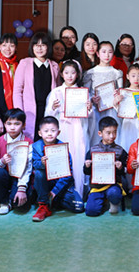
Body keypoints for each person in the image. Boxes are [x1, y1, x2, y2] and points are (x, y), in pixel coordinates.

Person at [45, 60, 92, 199]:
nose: (70, 76)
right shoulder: (56, 92)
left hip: (77, 128)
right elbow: (48, 116)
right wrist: (53, 108)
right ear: (61, 74)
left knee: (78, 156)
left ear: (77, 74)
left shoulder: (82, 92)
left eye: (73, 73)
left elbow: (90, 116)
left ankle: (78, 191)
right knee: (62, 157)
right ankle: (59, 194)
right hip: (62, 128)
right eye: (66, 73)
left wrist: (89, 109)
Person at [31, 116, 85, 221]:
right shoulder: (36, 146)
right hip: (45, 183)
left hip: (61, 185)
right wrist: (42, 163)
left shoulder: (62, 148)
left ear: (58, 132)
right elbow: (34, 165)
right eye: (46, 131)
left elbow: (68, 173)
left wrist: (55, 191)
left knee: (79, 207)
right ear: (40, 133)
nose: (49, 134)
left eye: (53, 130)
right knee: (39, 173)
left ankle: (53, 200)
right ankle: (44, 205)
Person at [13, 32, 59, 141]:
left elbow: (58, 90)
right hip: (29, 112)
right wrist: (19, 113)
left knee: (48, 141)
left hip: (48, 110)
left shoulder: (54, 66)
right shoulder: (24, 63)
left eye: (43, 45)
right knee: (30, 141)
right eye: (36, 45)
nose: (39, 48)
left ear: (48, 47)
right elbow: (17, 91)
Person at [0, 108, 33, 215]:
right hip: (4, 176)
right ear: (4, 124)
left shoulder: (28, 142)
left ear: (23, 125)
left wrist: (21, 188)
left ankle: (12, 197)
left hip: (20, 178)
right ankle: (3, 202)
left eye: (17, 124)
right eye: (9, 124)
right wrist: (2, 161)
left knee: (19, 204)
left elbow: (28, 168)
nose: (12, 127)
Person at [83, 116, 129, 216]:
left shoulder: (120, 150)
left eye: (114, 132)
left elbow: (126, 170)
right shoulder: (93, 150)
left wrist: (120, 167)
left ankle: (114, 203)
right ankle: (102, 200)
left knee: (114, 193)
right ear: (100, 133)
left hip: (113, 185)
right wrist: (87, 166)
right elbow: (86, 172)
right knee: (91, 212)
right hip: (97, 187)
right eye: (108, 133)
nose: (112, 136)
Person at [84, 41, 124, 146]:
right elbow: (86, 93)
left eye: (110, 52)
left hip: (112, 110)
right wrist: (92, 99)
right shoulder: (91, 73)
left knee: (112, 135)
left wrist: (117, 95)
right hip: (96, 110)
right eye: (104, 52)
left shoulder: (116, 73)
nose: (107, 55)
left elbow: (121, 92)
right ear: (97, 53)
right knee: (96, 136)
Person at [115, 63, 139, 152]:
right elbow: (118, 109)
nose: (136, 79)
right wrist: (116, 101)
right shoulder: (123, 92)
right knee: (127, 142)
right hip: (128, 122)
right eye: (133, 76)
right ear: (128, 76)